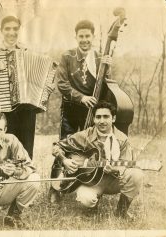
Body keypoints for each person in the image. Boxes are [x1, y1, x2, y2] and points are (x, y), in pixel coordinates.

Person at [49, 19, 112, 202]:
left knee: (93, 147)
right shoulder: (67, 56)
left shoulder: (100, 58)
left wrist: (108, 69)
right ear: (76, 37)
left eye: (88, 36)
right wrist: (81, 97)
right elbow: (61, 83)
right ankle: (55, 188)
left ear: (93, 37)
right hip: (71, 108)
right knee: (64, 144)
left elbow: (106, 88)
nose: (84, 39)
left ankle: (88, 184)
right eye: (81, 36)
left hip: (91, 111)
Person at [51, 101, 143, 218]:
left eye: (106, 117)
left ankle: (121, 212)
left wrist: (115, 169)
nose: (102, 121)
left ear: (113, 118)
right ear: (94, 119)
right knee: (86, 198)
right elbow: (57, 146)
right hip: (91, 182)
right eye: (98, 117)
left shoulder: (122, 139)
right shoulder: (85, 135)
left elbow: (125, 164)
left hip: (113, 180)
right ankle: (92, 209)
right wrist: (65, 160)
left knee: (137, 174)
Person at [0, 15, 47, 160]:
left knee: (27, 149)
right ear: (1, 31)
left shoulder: (27, 51)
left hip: (27, 107)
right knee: (5, 147)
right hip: (5, 108)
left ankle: (25, 178)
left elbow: (41, 74)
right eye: (7, 29)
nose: (11, 32)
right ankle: (6, 179)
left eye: (15, 29)